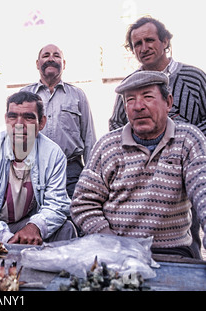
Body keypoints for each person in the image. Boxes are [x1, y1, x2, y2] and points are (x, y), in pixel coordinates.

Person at [71, 71, 206, 259]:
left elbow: (203, 190)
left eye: (148, 97)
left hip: (171, 251)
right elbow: (82, 203)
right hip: (115, 249)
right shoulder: (107, 145)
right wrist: (112, 242)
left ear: (168, 102)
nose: (138, 107)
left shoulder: (188, 139)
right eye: (130, 100)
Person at [108, 15, 206, 259]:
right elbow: (115, 126)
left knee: (185, 244)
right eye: (137, 44)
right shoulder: (129, 86)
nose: (144, 48)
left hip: (188, 178)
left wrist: (187, 154)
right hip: (142, 183)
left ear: (165, 41)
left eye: (150, 40)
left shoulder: (194, 78)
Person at [0, 91, 77, 245]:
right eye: (12, 116)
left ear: (42, 122)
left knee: (67, 229)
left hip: (25, 226)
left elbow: (57, 204)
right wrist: (6, 237)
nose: (19, 124)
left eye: (28, 117)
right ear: (6, 119)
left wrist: (35, 226)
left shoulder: (53, 155)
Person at [21, 44, 96, 198]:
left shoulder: (77, 95)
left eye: (56, 55)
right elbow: (14, 137)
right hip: (32, 170)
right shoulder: (24, 95)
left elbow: (89, 139)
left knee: (74, 216)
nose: (51, 59)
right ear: (37, 63)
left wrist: (92, 177)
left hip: (70, 172)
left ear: (64, 63)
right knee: (33, 219)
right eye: (46, 55)